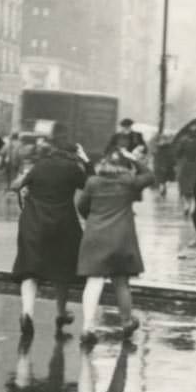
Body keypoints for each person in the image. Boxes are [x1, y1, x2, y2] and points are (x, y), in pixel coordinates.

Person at [11, 128, 90, 337]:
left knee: (29, 268)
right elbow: (92, 185)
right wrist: (86, 161)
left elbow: (15, 186)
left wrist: (23, 179)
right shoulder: (73, 169)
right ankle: (61, 312)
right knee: (62, 269)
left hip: (33, 222)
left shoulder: (40, 166)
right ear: (72, 153)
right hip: (63, 223)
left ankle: (27, 312)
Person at [76, 147, 156, 348]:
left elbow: (82, 206)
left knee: (93, 281)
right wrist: (134, 159)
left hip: (95, 236)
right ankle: (127, 322)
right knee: (121, 282)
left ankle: (87, 327)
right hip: (121, 238)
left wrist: (93, 220)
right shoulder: (129, 183)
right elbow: (149, 176)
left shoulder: (93, 182)